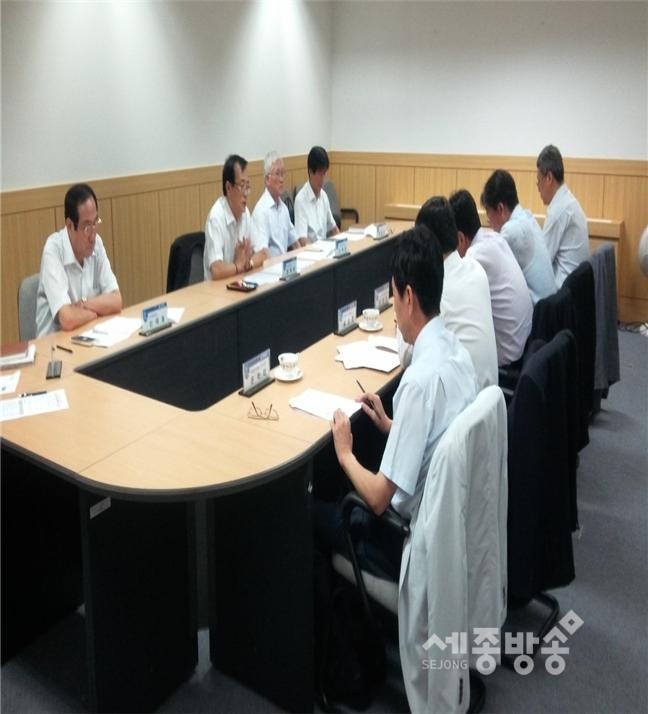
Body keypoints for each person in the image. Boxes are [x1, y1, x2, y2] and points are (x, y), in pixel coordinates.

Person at [316, 226, 478, 580]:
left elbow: (377, 499)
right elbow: (439, 435)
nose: (392, 307)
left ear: (408, 296)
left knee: (313, 511)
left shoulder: (418, 382)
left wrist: (344, 453)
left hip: (405, 536)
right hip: (452, 520)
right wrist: (393, 426)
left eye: (393, 294)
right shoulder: (457, 352)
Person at [410, 196, 498, 390]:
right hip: (488, 398)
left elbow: (407, 355)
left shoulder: (439, 292)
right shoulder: (475, 269)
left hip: (463, 399)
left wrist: (406, 306)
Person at [449, 189, 533, 366]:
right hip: (525, 342)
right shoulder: (494, 238)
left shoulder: (473, 257)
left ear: (460, 238)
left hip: (508, 355)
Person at [35, 183, 122, 337]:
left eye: (95, 222)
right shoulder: (53, 250)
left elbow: (116, 301)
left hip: (89, 338)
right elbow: (67, 319)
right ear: (70, 225)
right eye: (87, 227)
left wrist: (84, 304)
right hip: (54, 347)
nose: (93, 235)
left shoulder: (97, 244)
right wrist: (96, 313)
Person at [481, 169, 555, 304]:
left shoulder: (512, 231)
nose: (488, 220)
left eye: (488, 213)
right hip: (549, 307)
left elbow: (487, 266)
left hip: (538, 312)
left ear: (500, 209)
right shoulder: (526, 217)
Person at [203, 154, 268, 280]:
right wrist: (238, 266)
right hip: (216, 289)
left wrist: (249, 263)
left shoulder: (245, 213)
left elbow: (263, 254)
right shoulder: (216, 218)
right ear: (228, 187)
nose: (246, 193)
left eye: (247, 186)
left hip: (239, 283)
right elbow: (216, 270)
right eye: (242, 186)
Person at [536, 144, 589, 287]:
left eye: (539, 181)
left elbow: (542, 263)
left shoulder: (558, 211)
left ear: (549, 178)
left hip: (564, 292)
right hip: (577, 287)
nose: (538, 188)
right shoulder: (567, 200)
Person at [252, 151, 301, 257]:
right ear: (267, 179)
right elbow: (263, 253)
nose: (282, 179)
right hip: (270, 266)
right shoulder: (261, 211)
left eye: (283, 174)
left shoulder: (284, 208)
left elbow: (295, 243)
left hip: (284, 264)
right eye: (278, 174)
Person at [294, 146, 340, 243]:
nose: (323, 178)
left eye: (324, 173)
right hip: (311, 250)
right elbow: (302, 240)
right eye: (320, 173)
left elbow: (333, 229)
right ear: (310, 172)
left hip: (325, 248)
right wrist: (318, 250)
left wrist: (342, 243)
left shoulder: (324, 196)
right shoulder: (300, 200)